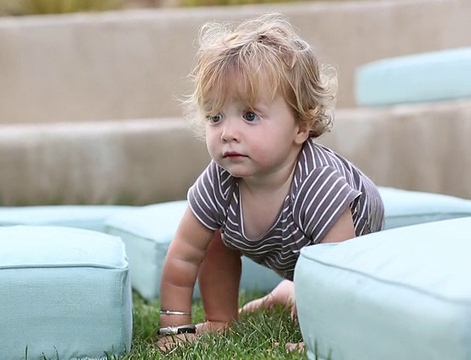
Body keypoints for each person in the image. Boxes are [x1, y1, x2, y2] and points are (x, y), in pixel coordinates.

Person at [157, 12, 385, 351]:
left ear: (300, 126)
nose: (228, 133)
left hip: (350, 247)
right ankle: (222, 318)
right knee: (212, 237)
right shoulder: (218, 181)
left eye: (249, 116)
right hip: (294, 251)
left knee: (321, 275)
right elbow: (183, 257)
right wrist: (174, 331)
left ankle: (296, 293)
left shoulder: (319, 185)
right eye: (215, 117)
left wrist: (319, 339)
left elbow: (342, 276)